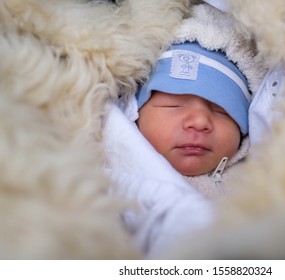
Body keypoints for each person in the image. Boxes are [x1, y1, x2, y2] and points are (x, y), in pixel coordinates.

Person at [103, 2, 266, 257]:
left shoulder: (261, 182)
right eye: (174, 105)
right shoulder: (108, 175)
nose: (199, 121)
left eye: (222, 110)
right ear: (135, 113)